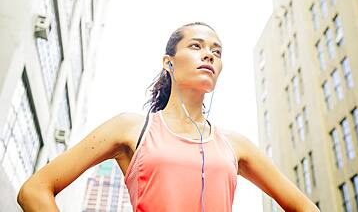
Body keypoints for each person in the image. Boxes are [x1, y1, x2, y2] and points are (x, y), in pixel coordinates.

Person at [17, 22, 320, 212]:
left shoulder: (235, 145)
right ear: (169, 63)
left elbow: (305, 207)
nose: (209, 55)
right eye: (196, 46)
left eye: (217, 51)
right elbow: (35, 190)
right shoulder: (131, 128)